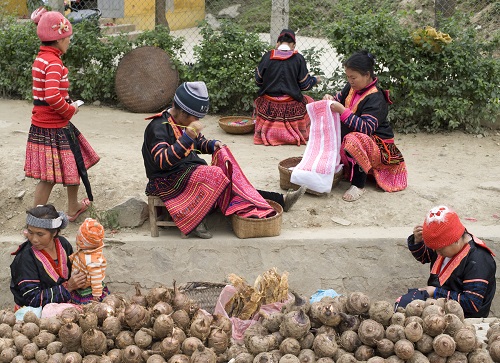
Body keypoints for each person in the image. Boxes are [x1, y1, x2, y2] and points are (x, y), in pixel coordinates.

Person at [142, 81, 306, 239]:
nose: (197, 122)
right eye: (194, 118)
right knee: (215, 175)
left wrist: (213, 145)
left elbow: (199, 143)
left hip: (185, 172)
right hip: (166, 180)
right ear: (182, 112)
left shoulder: (183, 122)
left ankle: (279, 200)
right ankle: (196, 220)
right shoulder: (158, 126)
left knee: (230, 179)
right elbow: (162, 161)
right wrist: (187, 137)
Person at [26, 9, 99, 221]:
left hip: (42, 123)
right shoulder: (55, 63)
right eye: (68, 38)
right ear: (58, 39)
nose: (69, 42)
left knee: (67, 167)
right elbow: (51, 95)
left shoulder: (42, 58)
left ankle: (67, 208)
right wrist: (70, 110)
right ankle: (37, 221)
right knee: (59, 171)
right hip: (55, 125)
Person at [323, 50, 407, 202]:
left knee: (354, 138)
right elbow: (337, 100)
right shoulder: (351, 88)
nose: (350, 81)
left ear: (367, 75)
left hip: (380, 146)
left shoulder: (376, 98)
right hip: (361, 139)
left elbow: (366, 128)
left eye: (353, 77)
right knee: (334, 131)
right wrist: (330, 99)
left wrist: (342, 111)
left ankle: (358, 184)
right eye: (348, 77)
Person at [406, 205, 496, 318]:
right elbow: (425, 257)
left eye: (439, 249)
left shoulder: (479, 259)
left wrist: (435, 292)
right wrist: (417, 241)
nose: (436, 252)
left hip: (464, 320)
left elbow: (472, 304)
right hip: (437, 311)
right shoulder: (444, 245)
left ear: (456, 241)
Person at [10, 205, 89, 308]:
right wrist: (68, 287)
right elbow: (33, 298)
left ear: (54, 232)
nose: (34, 239)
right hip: (35, 314)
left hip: (67, 306)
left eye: (40, 234)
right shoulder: (25, 257)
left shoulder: (63, 244)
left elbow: (75, 270)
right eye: (30, 232)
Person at [254, 29, 321, 146]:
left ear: (278, 43)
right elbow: (305, 85)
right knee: (309, 101)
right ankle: (296, 133)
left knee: (259, 101)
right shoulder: (298, 58)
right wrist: (315, 80)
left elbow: (258, 81)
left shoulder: (267, 56)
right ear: (293, 45)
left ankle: (268, 131)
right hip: (291, 105)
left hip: (269, 104)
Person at [69, 218, 108, 303]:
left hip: (88, 288)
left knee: (88, 307)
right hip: (79, 283)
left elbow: (96, 277)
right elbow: (77, 255)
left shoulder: (92, 260)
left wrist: (96, 294)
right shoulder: (85, 250)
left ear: (81, 241)